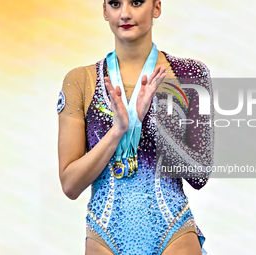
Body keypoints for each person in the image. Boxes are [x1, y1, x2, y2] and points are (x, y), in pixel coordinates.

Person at [57, 0, 214, 254]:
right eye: (115, 3)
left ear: (157, 7)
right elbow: (70, 185)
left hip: (173, 231)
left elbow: (199, 175)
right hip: (104, 233)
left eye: (137, 2)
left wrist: (157, 120)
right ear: (105, 10)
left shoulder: (189, 74)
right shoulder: (79, 81)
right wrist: (119, 129)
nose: (125, 13)